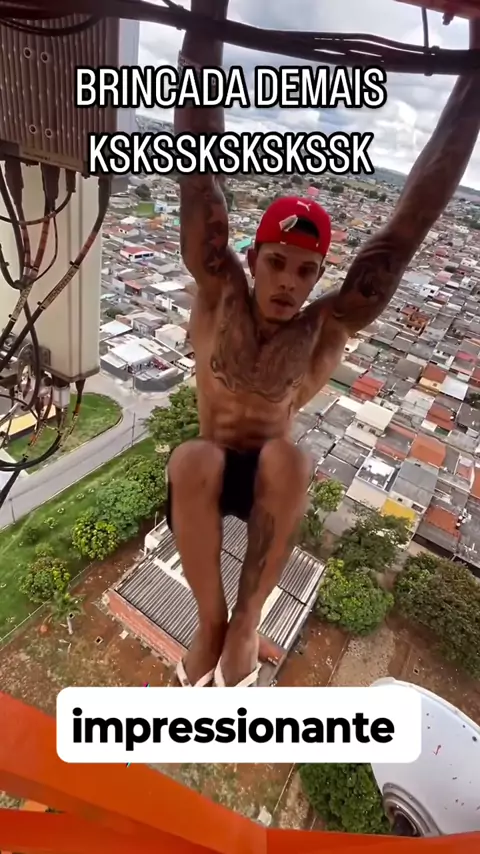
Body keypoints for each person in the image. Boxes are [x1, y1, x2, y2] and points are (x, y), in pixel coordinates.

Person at [168, 0, 480, 687]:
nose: (288, 281)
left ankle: (246, 621)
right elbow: (198, 171)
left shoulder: (325, 326)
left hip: (270, 493)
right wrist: (206, 17)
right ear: (255, 258)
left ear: (319, 276)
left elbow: (408, 225)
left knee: (291, 457)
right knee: (191, 457)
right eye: (277, 262)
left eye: (306, 271)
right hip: (204, 477)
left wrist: (473, 77)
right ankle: (211, 621)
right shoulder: (219, 289)